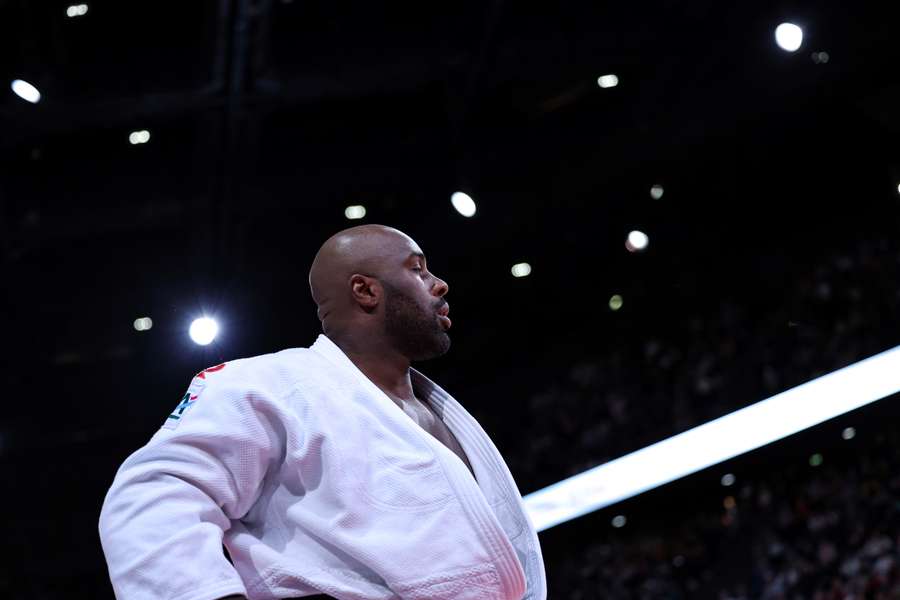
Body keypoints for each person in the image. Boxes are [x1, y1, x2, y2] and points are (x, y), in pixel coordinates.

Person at [99, 224, 546, 600]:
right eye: (417, 269)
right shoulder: (269, 384)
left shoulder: (435, 409)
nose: (439, 283)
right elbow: (152, 495)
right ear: (365, 290)